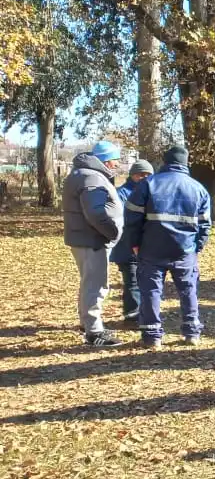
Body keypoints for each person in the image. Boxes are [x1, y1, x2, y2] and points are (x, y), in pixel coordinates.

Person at [125, 145, 212, 348]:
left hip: (151, 248)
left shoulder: (147, 184)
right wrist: (196, 246)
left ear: (165, 162)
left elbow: (132, 218)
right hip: (185, 250)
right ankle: (191, 333)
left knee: (151, 291)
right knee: (188, 290)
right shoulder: (198, 188)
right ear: (185, 162)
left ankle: (152, 336)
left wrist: (135, 244)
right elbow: (205, 224)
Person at [62, 139, 125, 347]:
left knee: (89, 282)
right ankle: (94, 332)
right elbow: (96, 213)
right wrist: (112, 232)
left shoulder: (84, 174)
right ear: (106, 161)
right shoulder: (92, 178)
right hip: (93, 239)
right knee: (96, 285)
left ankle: (87, 323)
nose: (117, 164)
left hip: (85, 238)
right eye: (115, 160)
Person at [110, 160, 154, 324]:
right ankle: (132, 316)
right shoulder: (121, 193)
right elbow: (122, 220)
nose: (144, 177)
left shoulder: (152, 191)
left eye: (148, 174)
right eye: (140, 174)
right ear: (132, 175)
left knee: (145, 280)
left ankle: (143, 312)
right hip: (127, 244)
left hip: (147, 245)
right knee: (132, 281)